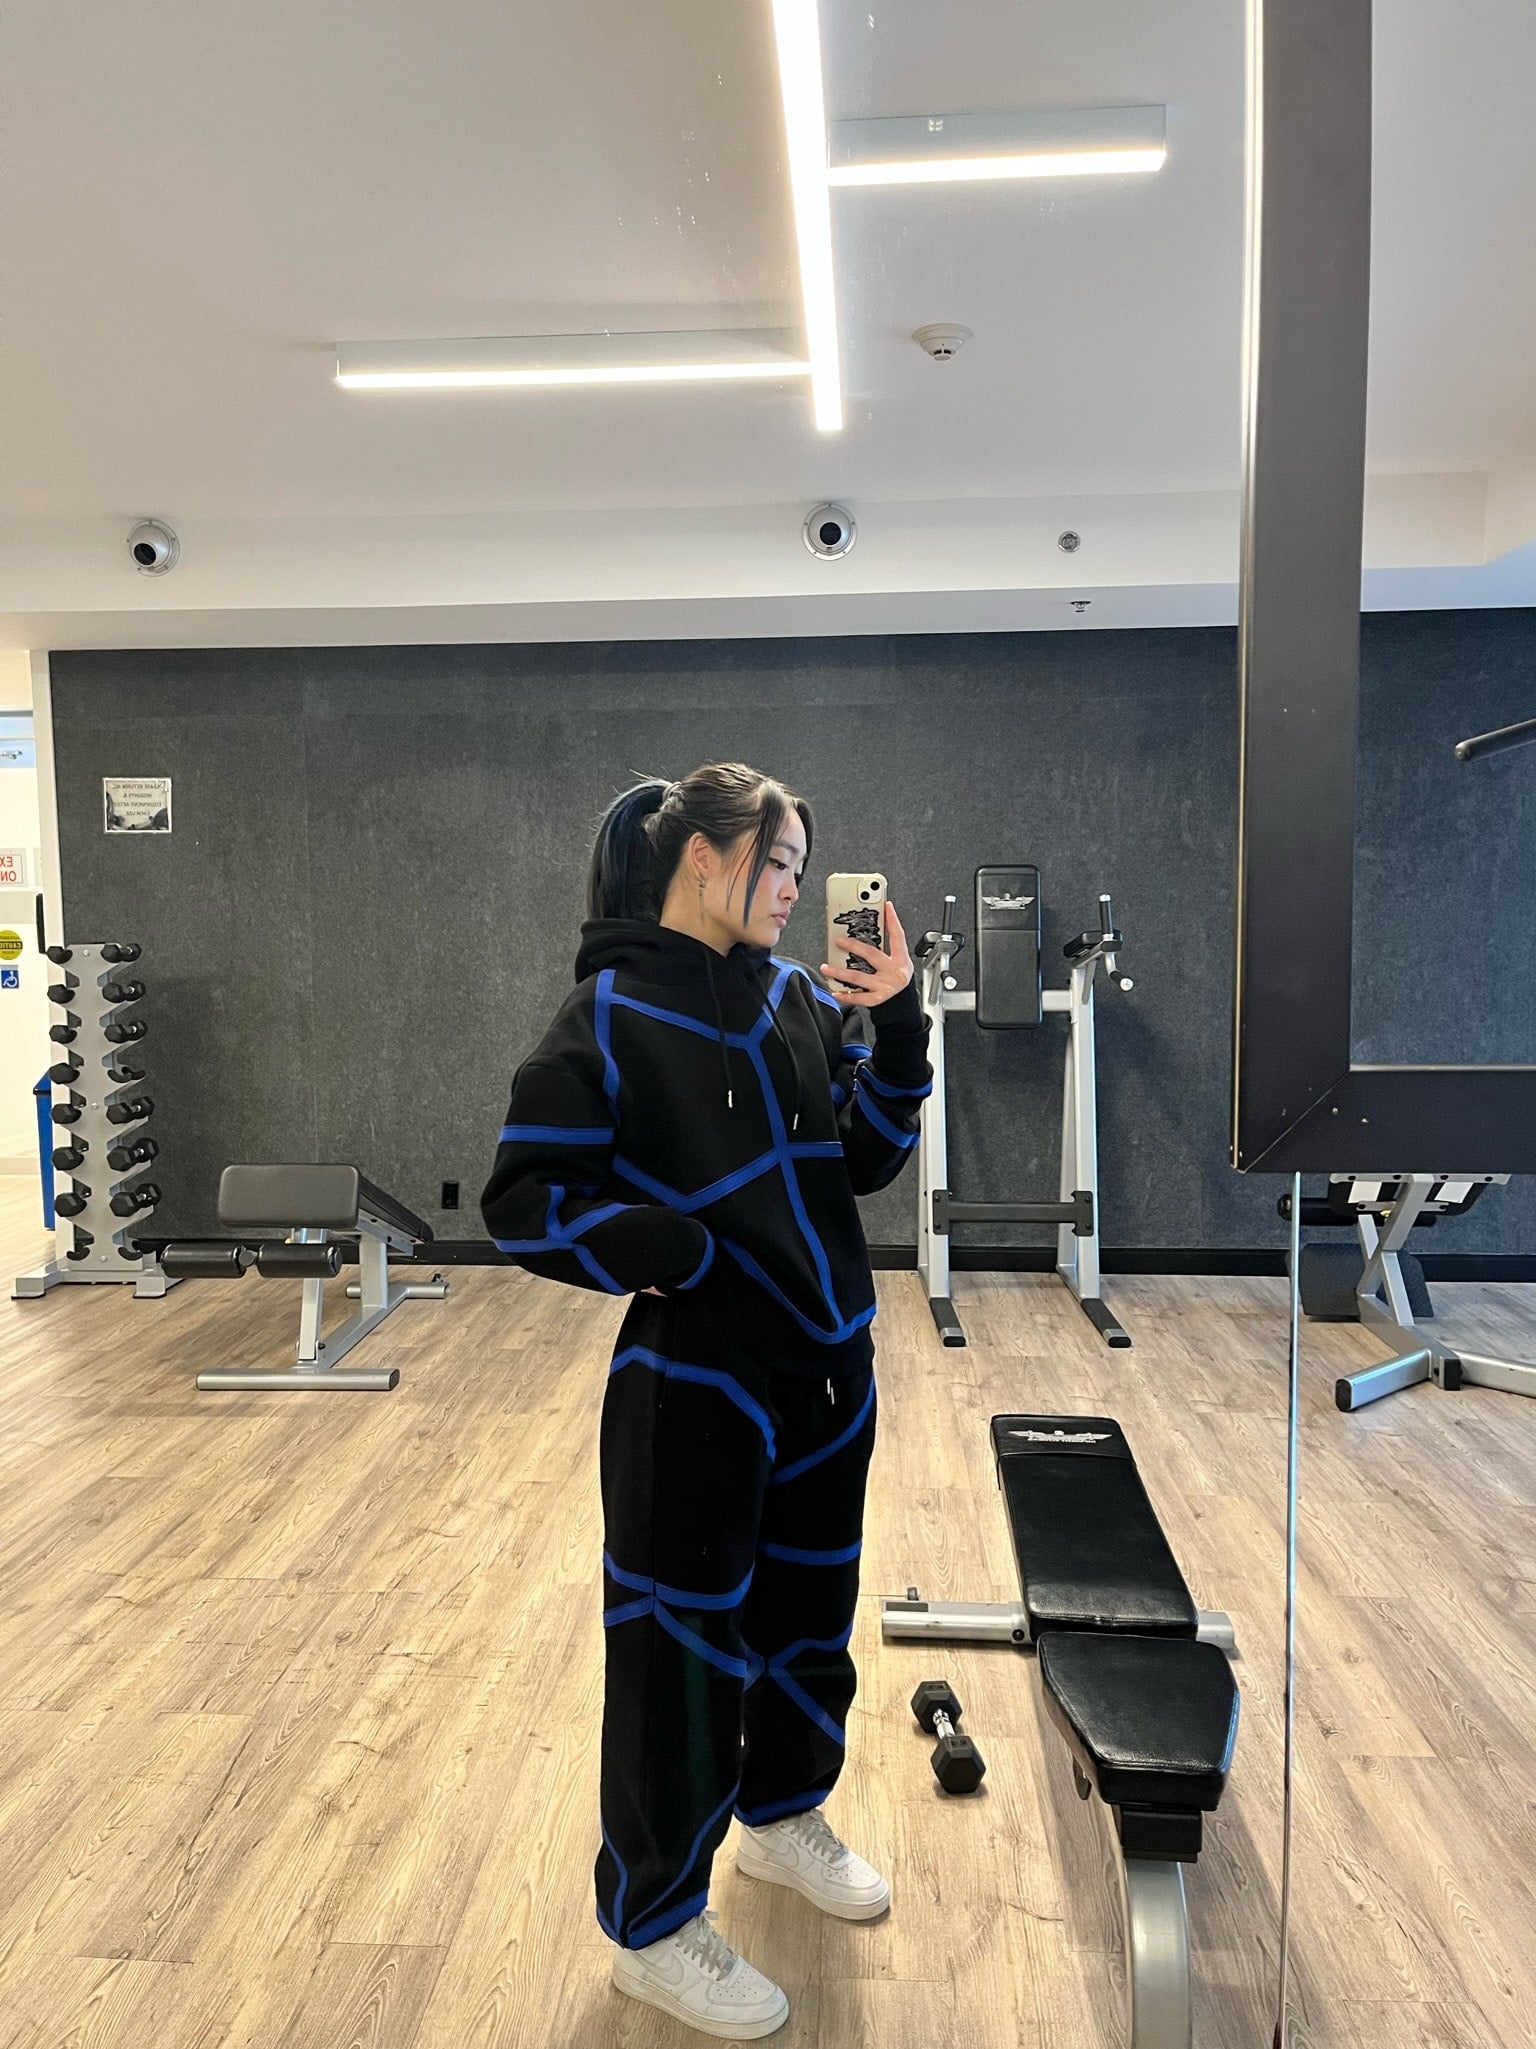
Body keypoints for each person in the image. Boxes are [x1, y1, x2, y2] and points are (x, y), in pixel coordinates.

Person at [480, 761, 932, 2040]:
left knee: (808, 1616)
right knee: (676, 1656)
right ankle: (656, 1927)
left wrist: (898, 1022)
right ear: (701, 856)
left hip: (830, 1365)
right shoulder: (609, 1013)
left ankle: (784, 1816)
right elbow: (526, 1201)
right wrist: (676, 1252)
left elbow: (867, 1157)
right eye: (776, 863)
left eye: (800, 870)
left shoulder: (795, 997)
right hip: (697, 1383)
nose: (792, 889)